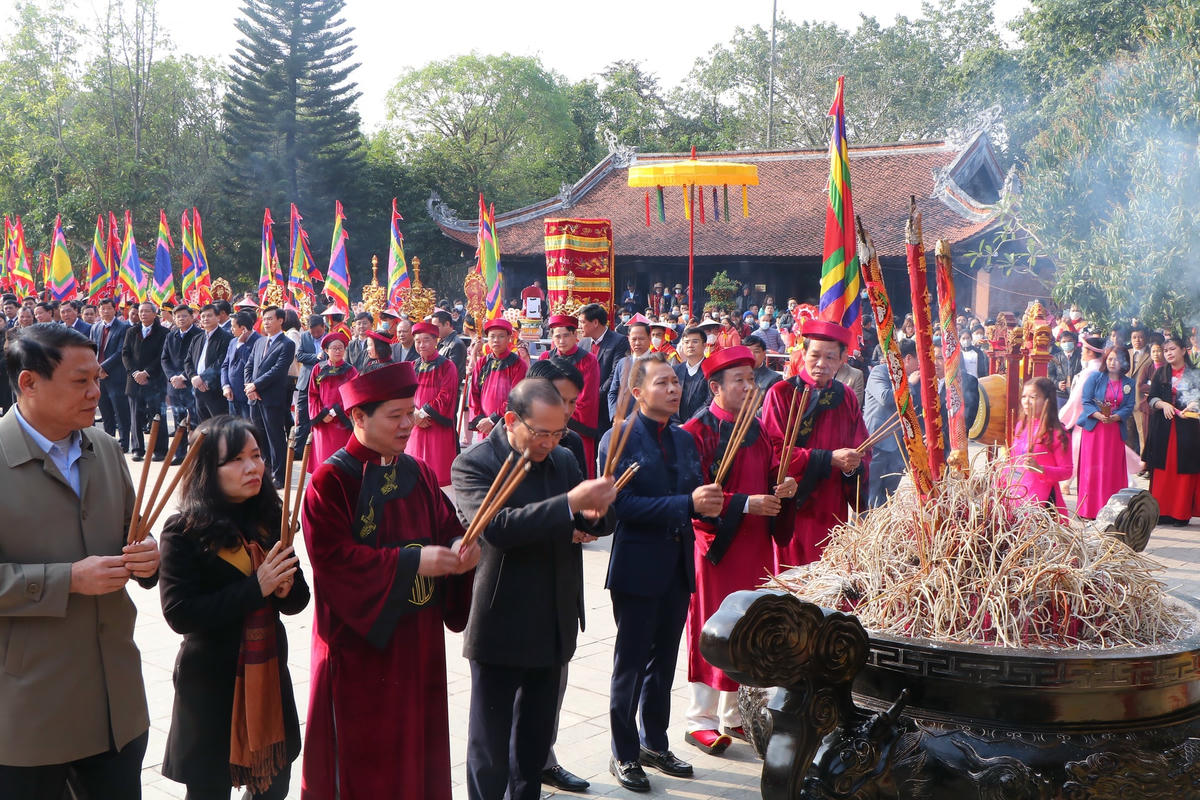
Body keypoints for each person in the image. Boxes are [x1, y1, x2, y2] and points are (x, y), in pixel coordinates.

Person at [300, 361, 480, 799]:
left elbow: (446, 526)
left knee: (418, 754)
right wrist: (413, 562)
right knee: (364, 765)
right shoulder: (330, 481)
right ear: (358, 417)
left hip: (418, 645)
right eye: (395, 415)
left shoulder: (418, 472)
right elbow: (334, 562)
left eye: (411, 411)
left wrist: (461, 547)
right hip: (360, 650)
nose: (408, 424)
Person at [0, 323, 160, 797]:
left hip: (115, 702)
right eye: (80, 381)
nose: (95, 392)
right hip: (27, 708)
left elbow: (133, 527)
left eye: (97, 379)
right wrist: (67, 579)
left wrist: (149, 554)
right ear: (29, 382)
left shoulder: (104, 449)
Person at [452, 379, 615, 800]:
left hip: (554, 616)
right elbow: (497, 528)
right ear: (511, 419)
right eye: (541, 433)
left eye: (559, 432)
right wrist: (570, 503)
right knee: (490, 747)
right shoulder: (474, 463)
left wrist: (597, 512)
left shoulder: (563, 458)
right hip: (501, 619)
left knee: (533, 745)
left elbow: (593, 522)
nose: (550, 442)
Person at [158, 415, 309, 799]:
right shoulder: (183, 531)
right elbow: (180, 613)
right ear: (208, 469)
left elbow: (298, 600)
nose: (252, 467)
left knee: (273, 788)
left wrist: (284, 590)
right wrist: (257, 588)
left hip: (268, 679)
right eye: (236, 459)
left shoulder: (271, 520)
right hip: (211, 688)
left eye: (256, 456)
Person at [598, 354, 724, 793]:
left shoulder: (684, 438)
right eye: (662, 383)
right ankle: (623, 751)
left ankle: (654, 742)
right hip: (637, 565)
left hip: (676, 564)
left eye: (675, 382)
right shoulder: (618, 437)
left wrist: (710, 505)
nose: (673, 389)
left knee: (664, 661)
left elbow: (695, 494)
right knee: (630, 664)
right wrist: (687, 504)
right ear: (637, 392)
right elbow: (622, 506)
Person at [679, 346, 796, 754]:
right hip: (718, 545)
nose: (749, 387)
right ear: (715, 387)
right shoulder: (697, 430)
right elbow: (695, 496)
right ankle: (700, 719)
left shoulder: (757, 428)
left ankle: (734, 714)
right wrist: (746, 503)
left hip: (755, 543)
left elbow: (769, 472)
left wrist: (784, 485)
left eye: (751, 379)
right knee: (712, 624)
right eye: (739, 381)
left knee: (748, 625)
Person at [761, 320, 868, 571]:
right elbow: (774, 451)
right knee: (791, 577)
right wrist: (828, 459)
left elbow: (862, 447)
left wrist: (852, 465)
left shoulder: (846, 396)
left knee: (829, 575)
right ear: (803, 353)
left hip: (832, 505)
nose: (821, 363)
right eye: (815, 355)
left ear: (842, 359)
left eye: (830, 357)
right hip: (794, 504)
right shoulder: (781, 393)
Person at [1143, 334, 1200, 525]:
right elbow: (1152, 398)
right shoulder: (1161, 373)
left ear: (1184, 350)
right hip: (1163, 427)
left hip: (1188, 428)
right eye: (1165, 350)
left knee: (1184, 470)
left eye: (1172, 349)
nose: (1168, 353)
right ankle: (1161, 512)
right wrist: (1163, 404)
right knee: (1162, 470)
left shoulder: (1195, 373)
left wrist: (1194, 404)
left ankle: (1180, 514)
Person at [1074, 346, 1135, 518]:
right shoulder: (1095, 377)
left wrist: (1116, 417)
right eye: (1109, 359)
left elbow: (1129, 406)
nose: (1112, 362)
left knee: (1111, 470)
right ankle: (1088, 510)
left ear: (1124, 362)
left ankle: (1112, 511)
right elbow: (1086, 401)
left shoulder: (1129, 383)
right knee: (1092, 469)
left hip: (1114, 431)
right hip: (1095, 431)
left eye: (1116, 359)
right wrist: (1098, 415)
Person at [540, 314, 600, 478]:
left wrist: (563, 419)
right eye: (557, 336)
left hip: (578, 427)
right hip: (548, 427)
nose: (561, 340)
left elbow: (586, 398)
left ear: (575, 335)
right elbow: (539, 391)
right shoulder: (545, 358)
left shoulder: (588, 360)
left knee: (580, 471)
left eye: (566, 335)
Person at [1004, 377, 1073, 520]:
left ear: (1048, 400)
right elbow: (1013, 462)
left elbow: (1067, 471)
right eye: (1024, 396)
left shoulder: (1057, 433)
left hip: (1042, 502)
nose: (1026, 401)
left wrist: (1040, 469)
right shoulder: (1021, 426)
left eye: (1033, 397)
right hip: (1016, 496)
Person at [244, 306, 296, 489]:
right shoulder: (259, 342)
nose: (266, 322)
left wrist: (256, 385)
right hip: (254, 397)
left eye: (270, 319)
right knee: (259, 437)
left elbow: (278, 370)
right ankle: (265, 471)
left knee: (275, 437)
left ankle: (280, 475)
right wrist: (250, 386)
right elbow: (249, 365)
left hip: (272, 397)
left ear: (280, 320)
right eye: (264, 319)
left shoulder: (287, 344)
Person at [864, 339, 919, 507]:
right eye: (918, 360)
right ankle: (866, 524)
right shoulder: (880, 371)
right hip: (877, 442)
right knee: (871, 494)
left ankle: (884, 523)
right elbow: (885, 397)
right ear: (908, 358)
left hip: (898, 446)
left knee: (889, 496)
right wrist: (910, 384)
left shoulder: (912, 378)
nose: (919, 366)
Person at [406, 321, 459, 486]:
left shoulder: (447, 366)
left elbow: (446, 395)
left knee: (435, 476)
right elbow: (406, 394)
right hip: (415, 425)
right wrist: (413, 414)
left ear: (436, 341)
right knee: (414, 474)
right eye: (418, 341)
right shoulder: (412, 366)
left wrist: (422, 413)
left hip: (435, 425)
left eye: (426, 340)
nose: (421, 345)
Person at [123, 301, 169, 462]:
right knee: (135, 416)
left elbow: (162, 356)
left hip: (155, 381)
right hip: (134, 381)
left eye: (147, 311)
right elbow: (125, 354)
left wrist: (147, 372)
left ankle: (160, 450)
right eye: (141, 311)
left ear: (154, 314)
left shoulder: (163, 332)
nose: (143, 314)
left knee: (157, 416)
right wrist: (135, 372)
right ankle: (137, 449)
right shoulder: (131, 331)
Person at [468, 317, 528, 440]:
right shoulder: (482, 362)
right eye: (492, 336)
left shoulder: (518, 364)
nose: (496, 340)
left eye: (501, 336)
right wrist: (480, 419)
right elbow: (473, 393)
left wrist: (492, 419)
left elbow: (516, 397)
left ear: (509, 338)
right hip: (484, 426)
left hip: (508, 425)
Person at [306, 331, 356, 469]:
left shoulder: (350, 371)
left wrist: (338, 412)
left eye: (340, 348)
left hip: (342, 421)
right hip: (323, 422)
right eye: (334, 348)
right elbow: (312, 395)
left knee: (342, 460)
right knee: (323, 459)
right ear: (326, 350)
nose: (338, 351)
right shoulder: (318, 369)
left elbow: (353, 395)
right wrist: (321, 414)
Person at [578, 303, 629, 433]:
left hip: (605, 405)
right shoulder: (583, 343)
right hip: (584, 406)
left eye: (583, 322)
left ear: (595, 322)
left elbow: (615, 373)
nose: (580, 326)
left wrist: (597, 394)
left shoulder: (619, 341)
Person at [162, 304, 201, 463]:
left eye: (184, 316)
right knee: (179, 420)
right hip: (174, 385)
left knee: (196, 420)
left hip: (192, 383)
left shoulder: (199, 335)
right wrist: (172, 377)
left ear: (192, 317)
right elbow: (164, 359)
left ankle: (196, 454)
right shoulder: (171, 335)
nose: (181, 319)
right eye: (178, 316)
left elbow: (197, 360)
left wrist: (183, 377)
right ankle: (179, 454)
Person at [92, 297, 132, 451]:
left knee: (121, 411)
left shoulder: (123, 327)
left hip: (116, 376)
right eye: (103, 309)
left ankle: (123, 443)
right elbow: (92, 349)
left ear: (115, 309)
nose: (106, 311)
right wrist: (96, 369)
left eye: (109, 308)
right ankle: (108, 442)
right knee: (105, 411)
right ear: (99, 311)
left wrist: (103, 368)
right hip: (98, 377)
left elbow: (120, 351)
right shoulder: (95, 327)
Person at [186, 303, 235, 423]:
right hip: (198, 388)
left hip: (215, 389)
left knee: (219, 425)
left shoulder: (226, 338)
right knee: (203, 426)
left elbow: (221, 362)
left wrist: (203, 378)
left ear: (218, 317)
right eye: (203, 316)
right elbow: (188, 361)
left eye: (209, 316)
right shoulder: (197, 338)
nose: (205, 319)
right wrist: (193, 377)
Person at [607, 318, 652, 419]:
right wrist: (615, 415)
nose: (637, 343)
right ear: (628, 339)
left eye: (641, 339)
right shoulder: (622, 363)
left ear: (649, 338)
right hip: (622, 420)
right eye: (634, 339)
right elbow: (613, 392)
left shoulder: (658, 363)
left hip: (648, 420)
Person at [292, 314, 324, 453]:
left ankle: (319, 448)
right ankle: (299, 450)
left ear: (323, 327)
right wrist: (315, 357)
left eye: (318, 332)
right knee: (303, 415)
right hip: (306, 381)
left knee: (321, 415)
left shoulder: (331, 338)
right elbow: (299, 356)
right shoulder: (304, 336)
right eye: (313, 333)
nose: (315, 335)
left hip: (323, 381)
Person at [222, 310, 260, 420]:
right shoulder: (233, 341)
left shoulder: (259, 341)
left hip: (248, 396)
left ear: (243, 329)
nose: (231, 329)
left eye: (233, 327)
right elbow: (225, 365)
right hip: (231, 394)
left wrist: (241, 345)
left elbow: (252, 365)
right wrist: (225, 385)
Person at [674, 326, 711, 423]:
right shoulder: (675, 370)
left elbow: (709, 402)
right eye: (686, 342)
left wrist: (690, 424)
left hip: (701, 425)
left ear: (704, 345)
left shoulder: (712, 370)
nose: (690, 345)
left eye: (695, 342)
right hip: (675, 425)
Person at [1048, 329, 1081, 409]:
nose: (1067, 343)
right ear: (1060, 343)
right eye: (1064, 341)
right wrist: (1057, 384)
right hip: (1060, 395)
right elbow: (1050, 375)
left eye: (1070, 341)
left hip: (1077, 394)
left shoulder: (1081, 356)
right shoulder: (1055, 357)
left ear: (1074, 342)